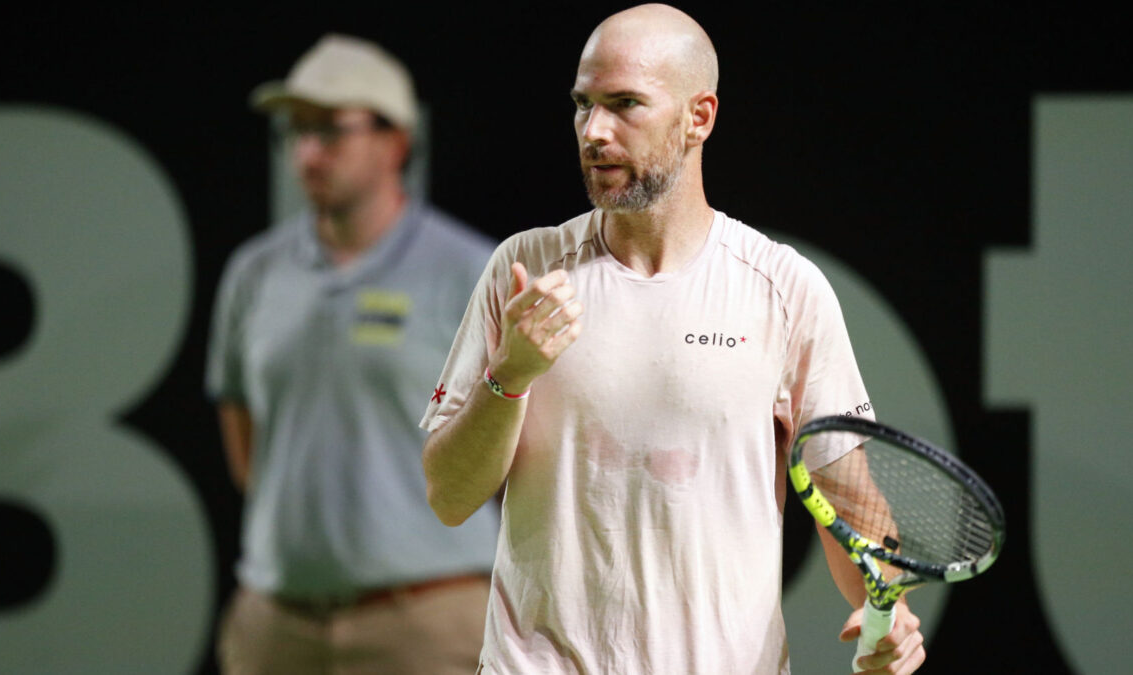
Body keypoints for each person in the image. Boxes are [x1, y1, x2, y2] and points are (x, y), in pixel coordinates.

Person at [419, 4, 926, 674]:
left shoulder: (783, 288)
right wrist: (510, 373)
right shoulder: (526, 269)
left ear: (699, 117)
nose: (594, 131)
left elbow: (853, 510)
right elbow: (449, 497)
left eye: (625, 104)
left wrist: (890, 613)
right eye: (582, 105)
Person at [205, 33, 499, 674]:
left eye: (331, 130)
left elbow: (508, 445)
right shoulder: (253, 274)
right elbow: (247, 444)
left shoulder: (471, 273)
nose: (308, 153)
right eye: (297, 131)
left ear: (395, 140)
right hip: (276, 622)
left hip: (428, 623)